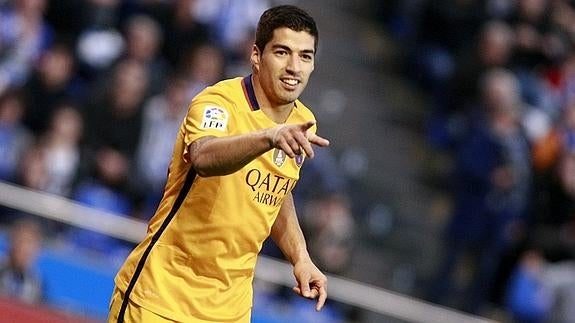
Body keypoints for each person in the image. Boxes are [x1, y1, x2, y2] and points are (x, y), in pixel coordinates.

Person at [108, 5, 330, 323]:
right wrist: (268, 137)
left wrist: (300, 257)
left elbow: (278, 190)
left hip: (229, 312)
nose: (294, 67)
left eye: (305, 56)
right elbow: (203, 157)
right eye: (282, 52)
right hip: (161, 297)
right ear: (256, 55)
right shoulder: (216, 103)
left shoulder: (303, 121)